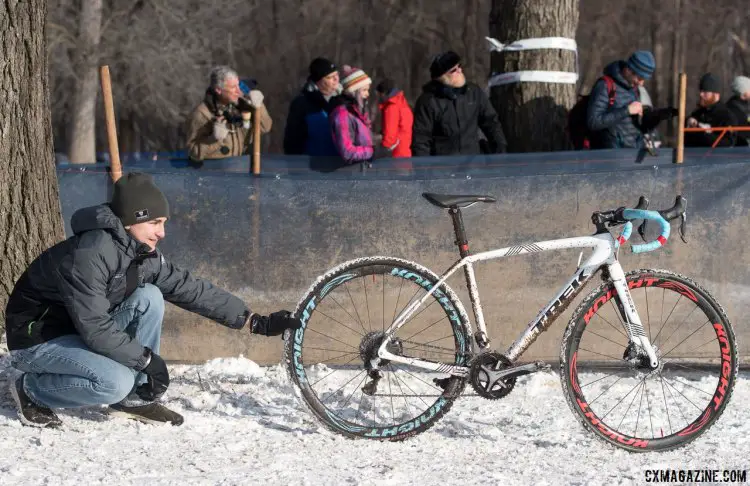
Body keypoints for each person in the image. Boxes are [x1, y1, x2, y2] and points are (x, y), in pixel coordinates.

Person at [4, 172, 302, 428]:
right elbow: (95, 327)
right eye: (156, 222)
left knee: (150, 296)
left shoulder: (140, 253)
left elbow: (190, 288)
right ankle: (31, 390)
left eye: (164, 222)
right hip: (39, 339)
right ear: (134, 219)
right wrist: (145, 359)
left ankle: (135, 399)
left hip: (77, 332)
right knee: (113, 382)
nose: (162, 232)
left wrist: (254, 321)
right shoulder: (90, 255)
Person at [411, 50, 507, 156]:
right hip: (443, 167)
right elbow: (421, 140)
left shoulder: (474, 92)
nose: (460, 70)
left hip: (473, 164)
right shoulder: (428, 101)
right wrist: (424, 169)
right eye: (454, 70)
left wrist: (500, 150)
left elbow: (491, 122)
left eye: (459, 66)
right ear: (442, 77)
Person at [586, 50, 676, 149]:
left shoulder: (635, 89)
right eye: (640, 78)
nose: (641, 83)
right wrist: (627, 110)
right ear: (628, 70)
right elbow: (593, 122)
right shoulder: (604, 86)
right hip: (610, 157)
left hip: (632, 154)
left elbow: (635, 127)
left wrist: (657, 117)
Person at [185, 66, 273, 161]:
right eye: (233, 87)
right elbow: (192, 153)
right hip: (213, 172)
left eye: (238, 85)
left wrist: (259, 106)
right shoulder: (202, 113)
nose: (238, 91)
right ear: (218, 90)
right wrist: (214, 140)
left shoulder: (242, 105)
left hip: (239, 168)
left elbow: (265, 127)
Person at [283, 57, 343, 156]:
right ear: (318, 80)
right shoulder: (302, 103)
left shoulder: (344, 101)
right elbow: (292, 140)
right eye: (329, 77)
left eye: (337, 75)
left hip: (341, 165)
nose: (336, 79)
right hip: (311, 165)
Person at [328, 65, 374, 164]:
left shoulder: (358, 111)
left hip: (361, 170)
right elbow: (347, 152)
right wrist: (371, 151)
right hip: (347, 174)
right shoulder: (342, 114)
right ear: (354, 91)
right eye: (364, 90)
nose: (368, 94)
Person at [685, 73, 736, 148]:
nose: (701, 94)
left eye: (705, 92)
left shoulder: (727, 116)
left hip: (715, 158)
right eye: (701, 91)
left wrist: (702, 132)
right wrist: (687, 122)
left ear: (716, 94)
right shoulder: (697, 114)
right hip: (694, 157)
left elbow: (728, 144)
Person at [375, 78, 414, 158]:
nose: (378, 98)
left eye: (379, 94)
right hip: (404, 151)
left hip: (395, 156)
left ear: (384, 93)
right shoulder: (401, 103)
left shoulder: (391, 107)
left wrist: (379, 153)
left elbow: (389, 137)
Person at [726, 75, 750, 146]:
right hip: (741, 147)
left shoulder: (745, 105)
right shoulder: (732, 109)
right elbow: (741, 133)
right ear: (743, 94)